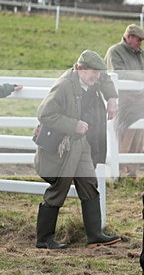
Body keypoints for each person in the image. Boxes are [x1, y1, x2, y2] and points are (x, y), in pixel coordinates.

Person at [33, 50, 122, 249]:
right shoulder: (64, 85)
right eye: (94, 73)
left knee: (89, 184)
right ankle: (44, 240)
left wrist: (112, 98)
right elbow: (44, 114)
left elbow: (105, 77)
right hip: (65, 146)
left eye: (99, 73)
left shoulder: (89, 76)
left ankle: (95, 235)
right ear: (80, 68)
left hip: (81, 144)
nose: (98, 77)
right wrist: (73, 125)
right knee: (59, 188)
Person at [105, 24, 144, 177]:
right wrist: (142, 77)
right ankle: (118, 170)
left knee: (138, 135)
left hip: (140, 100)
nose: (141, 43)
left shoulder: (141, 53)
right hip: (124, 101)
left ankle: (132, 171)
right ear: (129, 37)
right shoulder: (115, 52)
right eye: (138, 40)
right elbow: (118, 73)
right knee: (124, 135)